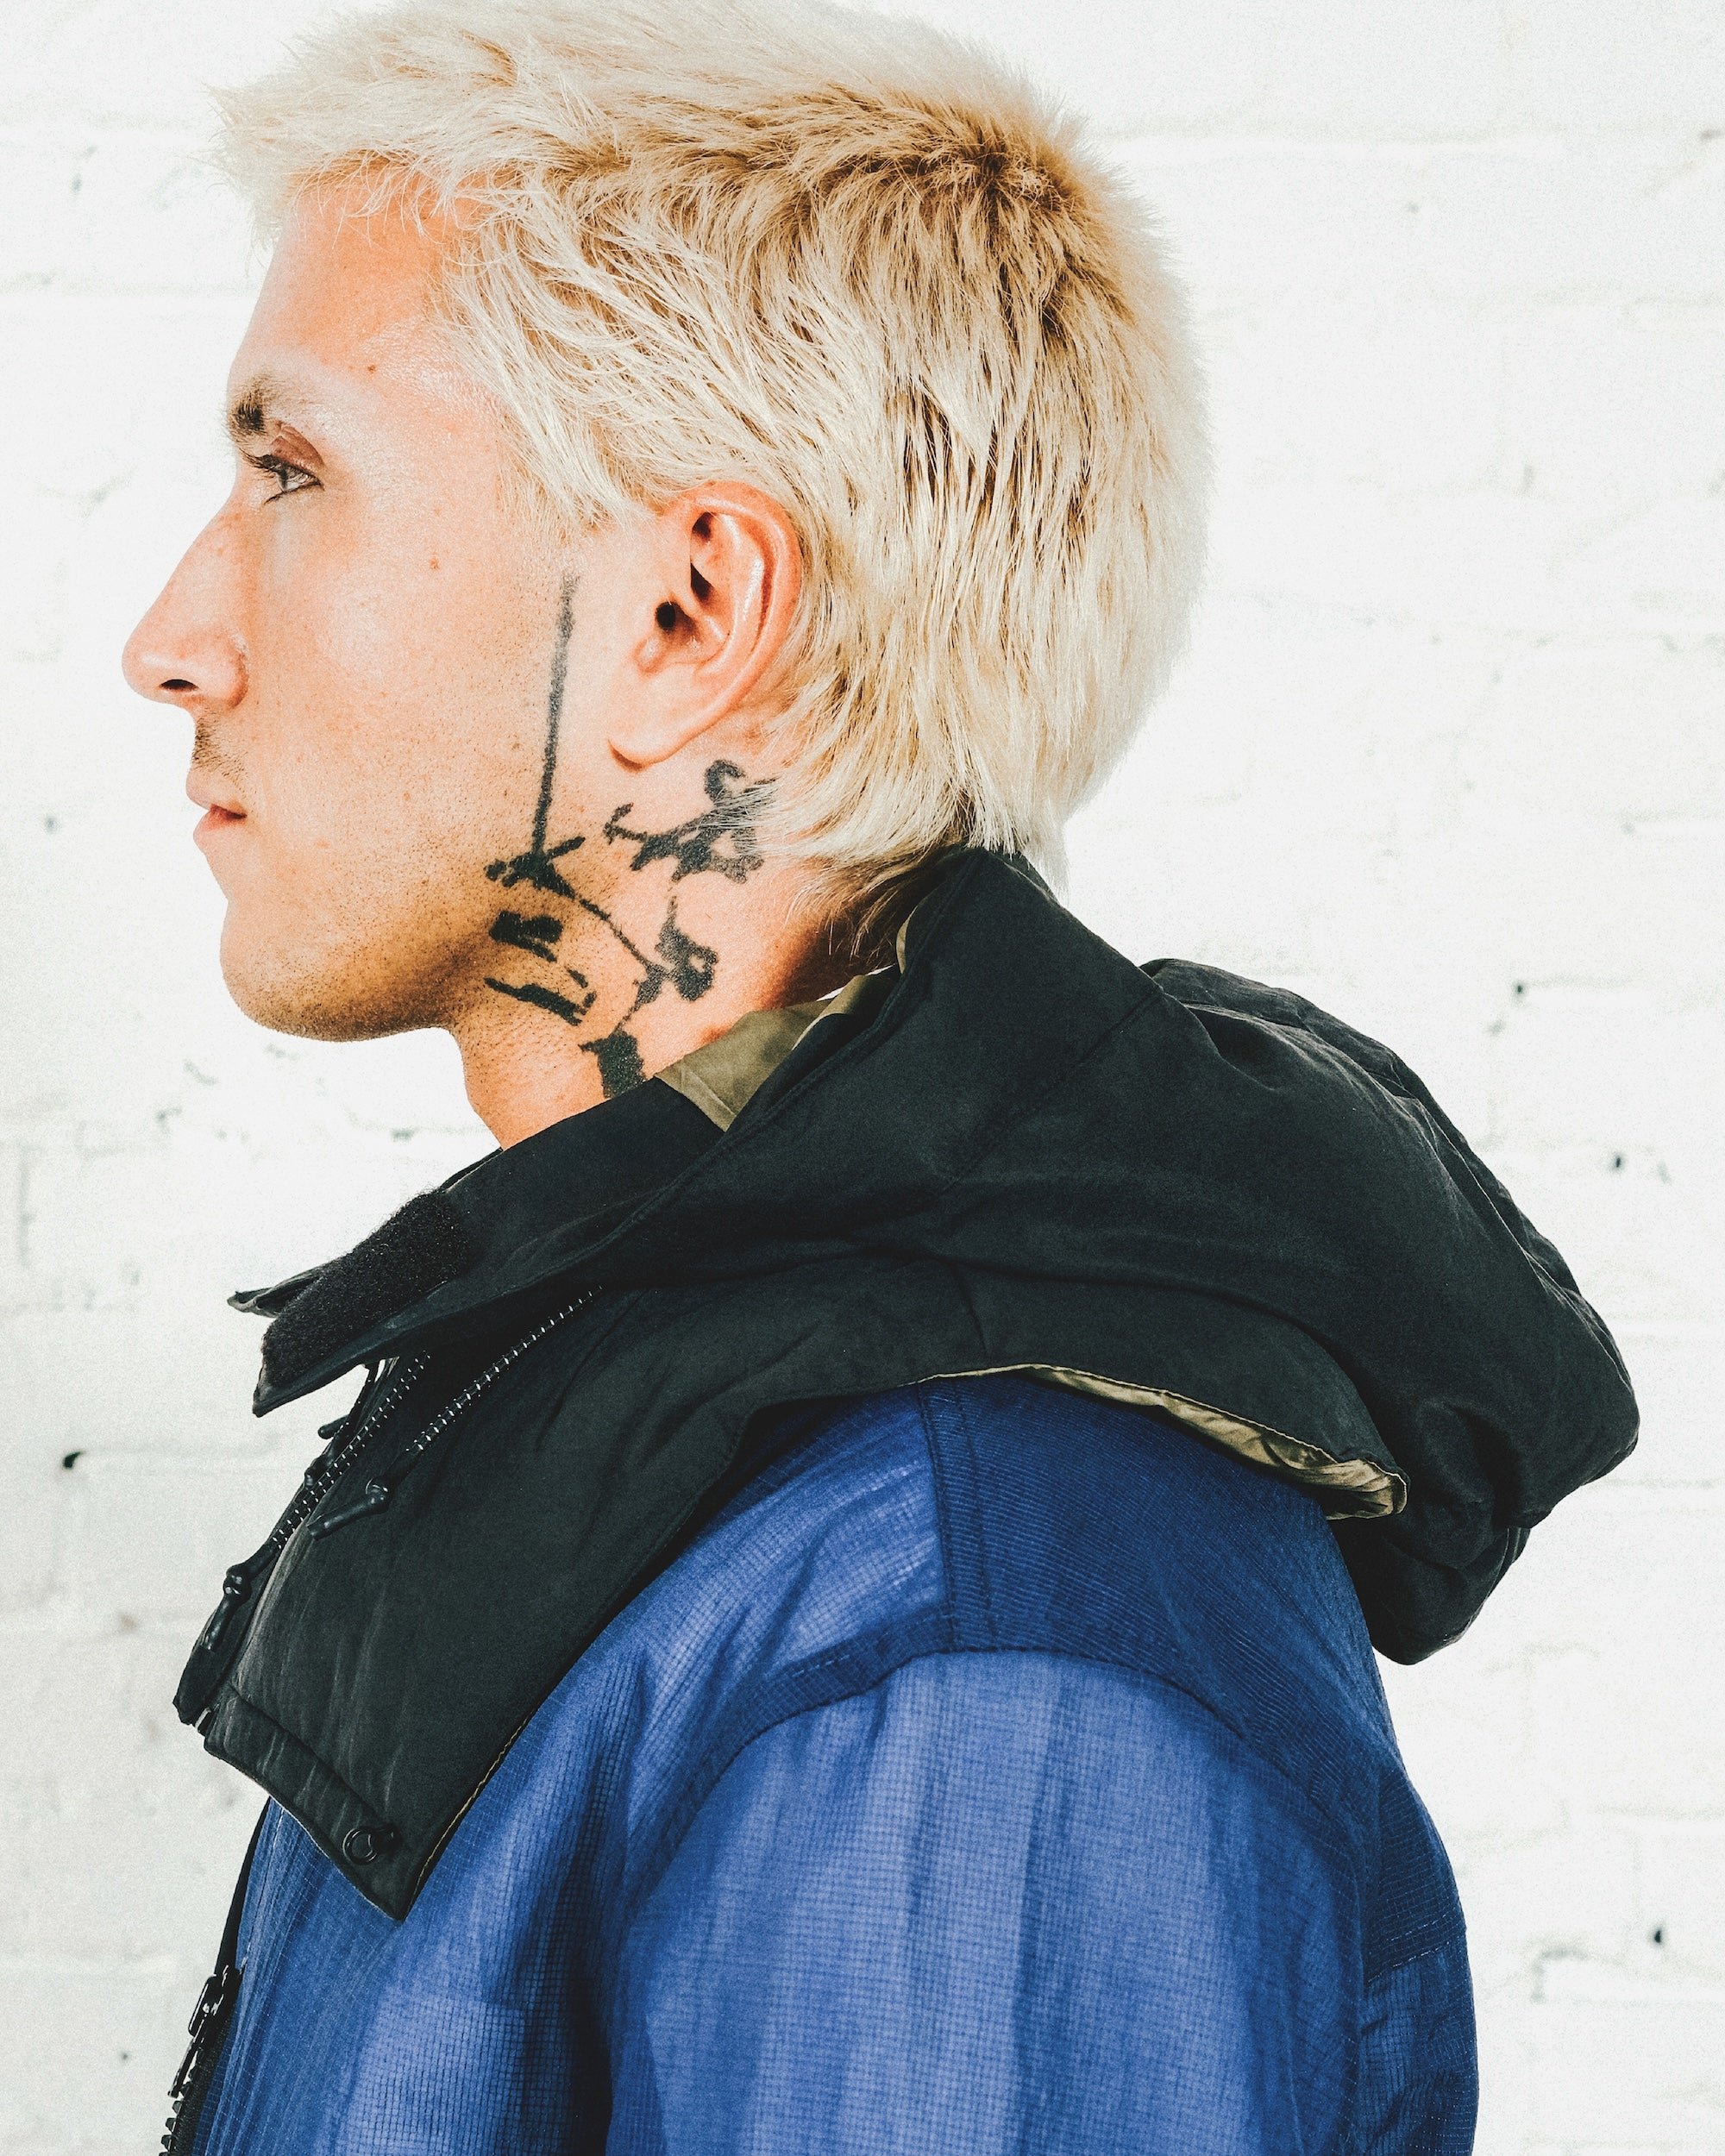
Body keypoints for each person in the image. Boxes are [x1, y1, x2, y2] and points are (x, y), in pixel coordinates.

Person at [122, 1, 1637, 2148]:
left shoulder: (969, 1657)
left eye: (292, 471)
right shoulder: (650, 1438)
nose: (172, 637)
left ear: (690, 612)